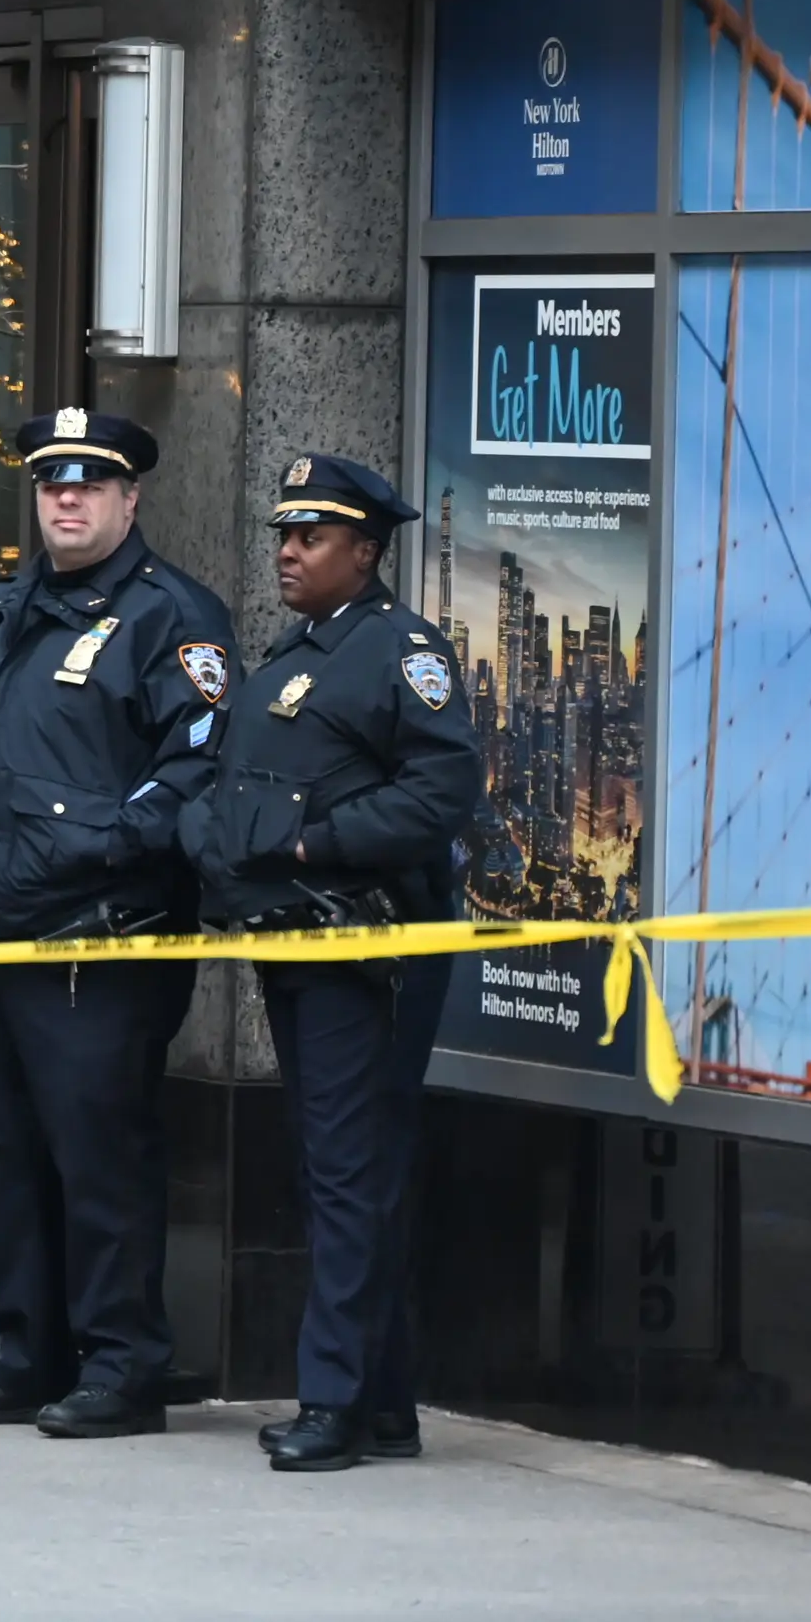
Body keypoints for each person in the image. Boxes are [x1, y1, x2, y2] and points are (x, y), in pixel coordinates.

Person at [0, 406, 234, 1440]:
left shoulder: (169, 616)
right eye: (53, 484)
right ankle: (27, 1350)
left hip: (99, 939)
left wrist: (107, 851)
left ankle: (122, 1362)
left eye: (90, 484)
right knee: (11, 1151)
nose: (68, 500)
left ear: (132, 499)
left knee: (100, 1154)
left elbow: (198, 771)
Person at [187, 453, 483, 1475]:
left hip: (368, 953)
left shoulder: (403, 652)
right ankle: (384, 1401)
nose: (288, 550)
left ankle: (332, 1402)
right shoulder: (296, 650)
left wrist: (319, 844)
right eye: (283, 533)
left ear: (366, 549)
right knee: (337, 1173)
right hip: (298, 946)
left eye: (310, 536)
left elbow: (442, 792)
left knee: (350, 1174)